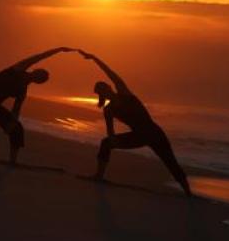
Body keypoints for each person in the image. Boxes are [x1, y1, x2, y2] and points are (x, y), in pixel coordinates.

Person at [79, 50, 192, 196]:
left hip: (154, 133)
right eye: (102, 91)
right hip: (139, 136)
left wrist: (94, 58)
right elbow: (110, 132)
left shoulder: (124, 93)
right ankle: (99, 176)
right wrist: (113, 140)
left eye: (105, 88)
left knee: (170, 161)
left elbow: (110, 72)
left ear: (109, 87)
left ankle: (188, 192)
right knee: (106, 143)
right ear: (102, 94)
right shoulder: (108, 110)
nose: (105, 91)